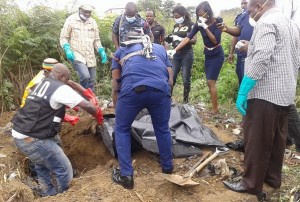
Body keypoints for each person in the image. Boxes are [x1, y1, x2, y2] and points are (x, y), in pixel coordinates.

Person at [222, 0, 300, 198]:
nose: (250, 13)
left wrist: (244, 89)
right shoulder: (290, 23)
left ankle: (251, 184)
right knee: (277, 140)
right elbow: (294, 57)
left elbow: (262, 58)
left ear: (260, 6)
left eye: (250, 9)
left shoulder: (266, 23)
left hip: (265, 93)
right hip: (284, 93)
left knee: (257, 140)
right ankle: (272, 178)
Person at [11, 63, 104, 196]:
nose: (68, 83)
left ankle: (46, 190)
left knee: (45, 157)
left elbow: (44, 108)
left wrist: (67, 115)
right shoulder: (60, 89)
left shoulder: (43, 82)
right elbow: (89, 107)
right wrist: (99, 117)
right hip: (33, 138)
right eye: (66, 80)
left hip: (23, 133)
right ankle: (62, 195)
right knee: (65, 169)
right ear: (61, 77)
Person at [110, 31, 174, 189]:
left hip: (133, 89)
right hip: (160, 90)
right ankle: (167, 167)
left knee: (122, 128)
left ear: (126, 40)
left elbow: (116, 83)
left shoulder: (120, 51)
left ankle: (126, 176)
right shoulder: (159, 49)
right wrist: (162, 95)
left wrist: (118, 106)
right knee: (162, 128)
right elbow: (170, 80)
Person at [168, 1, 224, 113]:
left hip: (217, 54)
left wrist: (205, 27)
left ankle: (215, 109)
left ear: (208, 12)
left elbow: (215, 40)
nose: (199, 16)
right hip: (208, 54)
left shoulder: (217, 21)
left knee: (210, 82)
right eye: (198, 14)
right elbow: (188, 38)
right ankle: (214, 108)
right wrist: (174, 50)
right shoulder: (199, 24)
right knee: (209, 81)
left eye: (201, 14)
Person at [60, 4, 107, 91]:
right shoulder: (71, 20)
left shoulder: (93, 22)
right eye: (85, 12)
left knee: (92, 80)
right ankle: (83, 96)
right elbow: (64, 37)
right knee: (85, 76)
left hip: (90, 55)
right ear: (80, 10)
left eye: (89, 12)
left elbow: (96, 40)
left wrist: (101, 50)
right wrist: (67, 49)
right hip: (76, 53)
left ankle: (90, 100)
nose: (87, 14)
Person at [166, 5, 197, 103]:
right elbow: (172, 39)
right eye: (175, 17)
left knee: (185, 78)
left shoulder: (191, 25)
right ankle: (168, 99)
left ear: (183, 15)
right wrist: (170, 39)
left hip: (186, 54)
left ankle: (185, 101)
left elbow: (194, 40)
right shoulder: (175, 26)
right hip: (176, 54)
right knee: (172, 76)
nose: (176, 18)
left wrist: (182, 40)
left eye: (178, 16)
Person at [219, 0, 254, 85]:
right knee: (241, 76)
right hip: (241, 53)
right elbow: (236, 33)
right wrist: (227, 29)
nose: (244, 5)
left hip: (253, 53)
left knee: (249, 80)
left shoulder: (259, 15)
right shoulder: (241, 17)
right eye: (242, 3)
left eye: (245, 3)